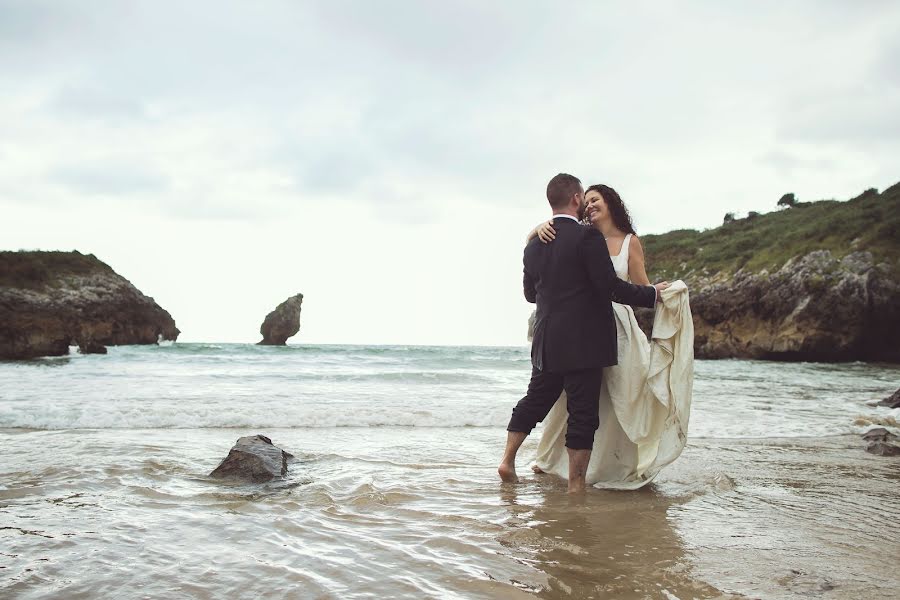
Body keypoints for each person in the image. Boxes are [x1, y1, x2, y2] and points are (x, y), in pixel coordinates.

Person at [498, 174, 668, 494]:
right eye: (585, 198)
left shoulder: (534, 244)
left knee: (535, 401)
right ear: (576, 199)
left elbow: (530, 296)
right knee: (582, 413)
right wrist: (653, 296)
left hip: (547, 339)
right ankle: (576, 484)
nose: (588, 205)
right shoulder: (587, 238)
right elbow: (609, 287)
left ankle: (507, 460)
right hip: (585, 340)